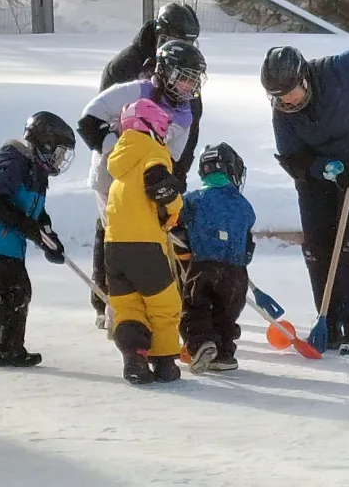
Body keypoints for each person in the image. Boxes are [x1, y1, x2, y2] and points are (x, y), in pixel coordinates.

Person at [261, 37, 349, 355]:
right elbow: (292, 160)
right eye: (280, 97)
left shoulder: (332, 71)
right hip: (317, 177)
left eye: (292, 92)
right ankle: (327, 320)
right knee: (318, 246)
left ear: (303, 77)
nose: (289, 101)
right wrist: (325, 169)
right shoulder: (282, 113)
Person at [79, 39, 206, 331]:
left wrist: (165, 194)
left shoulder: (185, 115)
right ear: (165, 71)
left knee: (150, 246)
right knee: (119, 243)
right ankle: (118, 318)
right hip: (111, 180)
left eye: (193, 80)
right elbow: (88, 119)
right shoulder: (135, 90)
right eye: (183, 77)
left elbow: (168, 160)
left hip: (143, 185)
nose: (188, 86)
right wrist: (118, 147)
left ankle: (150, 313)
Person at [0, 111, 75, 367]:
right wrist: (29, 227)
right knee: (17, 291)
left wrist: (47, 236)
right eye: (59, 152)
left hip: (8, 241)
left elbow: (34, 211)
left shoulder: (37, 171)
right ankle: (6, 349)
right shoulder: (14, 161)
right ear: (44, 143)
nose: (60, 159)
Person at [104, 99, 188, 384]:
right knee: (164, 304)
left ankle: (135, 359)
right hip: (144, 245)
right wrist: (175, 205)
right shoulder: (152, 152)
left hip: (114, 248)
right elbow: (158, 184)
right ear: (151, 127)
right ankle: (164, 363)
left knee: (128, 307)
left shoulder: (120, 161)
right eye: (162, 129)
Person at [172, 142, 257, 374]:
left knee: (195, 307)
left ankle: (202, 344)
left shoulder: (193, 200)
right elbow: (247, 240)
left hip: (203, 266)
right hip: (237, 273)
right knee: (225, 316)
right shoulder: (244, 205)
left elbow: (176, 223)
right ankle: (225, 354)